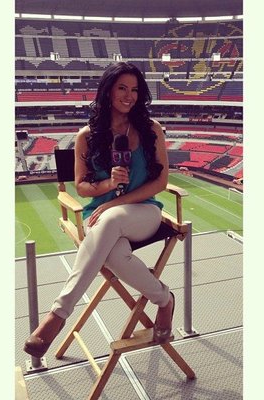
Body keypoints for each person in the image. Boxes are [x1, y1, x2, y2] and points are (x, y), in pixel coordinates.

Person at [24, 62, 175, 358]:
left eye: (134, 90)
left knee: (111, 219)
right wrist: (109, 184)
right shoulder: (87, 136)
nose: (129, 96)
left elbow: (160, 182)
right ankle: (164, 299)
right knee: (115, 254)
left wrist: (114, 203)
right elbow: (81, 187)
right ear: (107, 91)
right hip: (100, 215)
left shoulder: (151, 130)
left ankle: (57, 314)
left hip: (144, 211)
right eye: (122, 88)